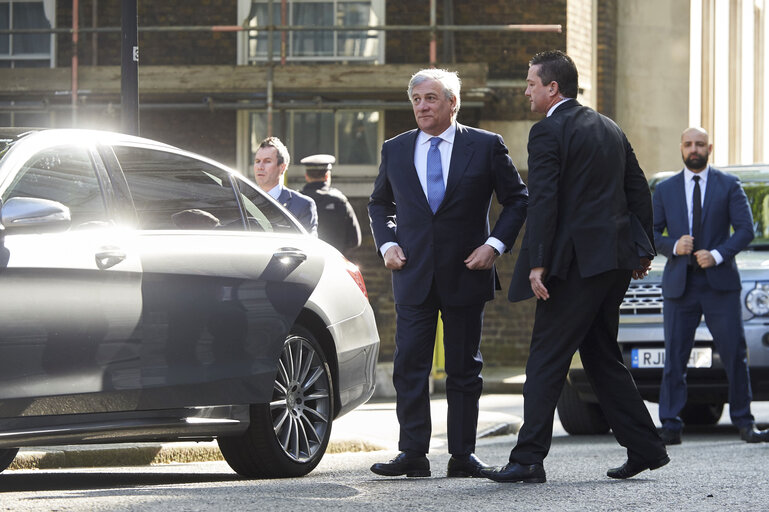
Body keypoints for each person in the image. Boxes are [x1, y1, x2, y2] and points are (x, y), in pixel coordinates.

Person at [482, 50, 668, 484]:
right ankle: (645, 448)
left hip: (575, 266)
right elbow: (637, 189)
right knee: (602, 356)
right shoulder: (609, 127)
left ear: (553, 88)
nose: (525, 90)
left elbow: (544, 200)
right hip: (614, 264)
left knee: (546, 358)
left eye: (531, 83)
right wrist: (642, 251)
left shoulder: (547, 131)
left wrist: (538, 262)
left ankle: (528, 459)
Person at [368, 68, 528, 478]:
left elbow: (518, 200)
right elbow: (378, 205)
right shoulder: (396, 148)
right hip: (412, 272)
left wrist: (494, 246)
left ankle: (462, 456)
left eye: (431, 98)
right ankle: (413, 454)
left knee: (463, 369)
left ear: (452, 102)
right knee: (409, 367)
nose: (422, 106)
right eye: (416, 99)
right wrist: (387, 244)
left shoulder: (486, 145)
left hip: (467, 272)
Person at [654, 127, 769, 445]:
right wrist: (674, 245)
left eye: (700, 144)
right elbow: (649, 233)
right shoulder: (665, 189)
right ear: (681, 147)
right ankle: (671, 425)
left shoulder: (728, 185)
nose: (694, 149)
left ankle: (745, 423)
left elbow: (746, 230)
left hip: (720, 285)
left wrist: (717, 254)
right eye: (689, 144)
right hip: (680, 285)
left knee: (734, 354)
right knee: (675, 356)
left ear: (710, 148)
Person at [253, 137, 318, 235]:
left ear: (282, 167)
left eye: (267, 161)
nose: (260, 167)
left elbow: (307, 246)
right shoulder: (240, 201)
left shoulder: (302, 205)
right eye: (257, 161)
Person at [300, 154, 362, 254]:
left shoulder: (296, 200)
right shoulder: (339, 200)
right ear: (327, 175)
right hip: (333, 262)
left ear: (306, 176)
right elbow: (354, 241)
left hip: (304, 263)